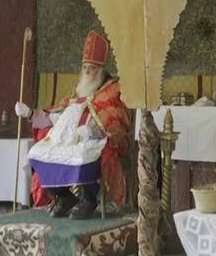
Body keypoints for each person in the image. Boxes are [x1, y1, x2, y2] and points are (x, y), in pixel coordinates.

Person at [15, 30, 130, 219]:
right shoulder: (77, 92)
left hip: (94, 139)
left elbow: (116, 119)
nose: (87, 71)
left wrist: (92, 131)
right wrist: (30, 113)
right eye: (84, 67)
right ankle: (64, 197)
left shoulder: (110, 90)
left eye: (92, 67)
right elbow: (56, 116)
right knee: (37, 153)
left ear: (100, 70)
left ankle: (89, 199)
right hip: (65, 139)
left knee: (81, 155)